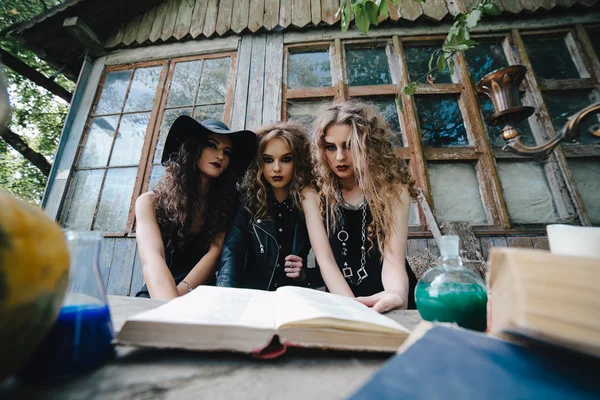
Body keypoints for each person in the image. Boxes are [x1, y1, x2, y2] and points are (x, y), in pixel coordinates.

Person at [301, 101, 419, 312]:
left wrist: (396, 296)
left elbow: (393, 259)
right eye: (330, 147)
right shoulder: (313, 193)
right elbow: (325, 260)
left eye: (349, 146)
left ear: (368, 145)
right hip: (342, 301)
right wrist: (354, 310)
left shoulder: (393, 188)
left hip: (389, 296)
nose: (339, 157)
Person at [135, 115, 257, 300]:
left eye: (227, 152)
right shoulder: (149, 202)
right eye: (212, 145)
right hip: (157, 291)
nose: (220, 156)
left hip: (202, 294)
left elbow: (215, 254)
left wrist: (181, 295)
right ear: (194, 147)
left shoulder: (228, 204)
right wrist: (170, 301)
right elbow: (152, 259)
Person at [216, 121, 323, 291]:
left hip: (294, 299)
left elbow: (333, 262)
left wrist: (306, 274)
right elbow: (232, 254)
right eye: (268, 160)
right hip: (253, 298)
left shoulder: (310, 204)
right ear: (259, 163)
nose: (277, 168)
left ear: (297, 162)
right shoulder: (247, 202)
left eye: (286, 159)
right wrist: (226, 298)